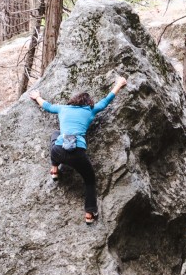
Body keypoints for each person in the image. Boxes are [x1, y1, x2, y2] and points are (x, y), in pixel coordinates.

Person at [29, 75, 128, 224]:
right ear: (88, 103)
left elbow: (47, 106)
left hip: (59, 150)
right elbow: (107, 100)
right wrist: (119, 84)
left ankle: (54, 168)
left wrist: (37, 97)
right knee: (89, 180)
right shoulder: (90, 110)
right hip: (78, 153)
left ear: (73, 100)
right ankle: (89, 214)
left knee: (55, 135)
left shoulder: (63, 108)